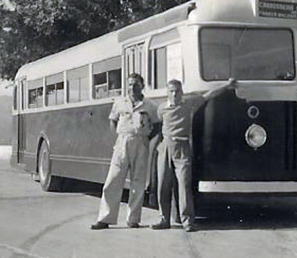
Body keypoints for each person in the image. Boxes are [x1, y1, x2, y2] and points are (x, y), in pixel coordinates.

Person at [152, 78, 237, 232]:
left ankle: (187, 222)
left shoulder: (188, 104)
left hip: (182, 147)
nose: (174, 94)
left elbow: (209, 95)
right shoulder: (161, 108)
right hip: (165, 147)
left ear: (181, 92)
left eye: (177, 91)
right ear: (167, 93)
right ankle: (164, 219)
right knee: (163, 184)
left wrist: (227, 86)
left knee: (184, 184)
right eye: (171, 91)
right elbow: (157, 123)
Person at [91, 73, 160, 230]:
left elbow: (157, 125)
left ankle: (133, 219)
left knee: (138, 182)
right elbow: (112, 120)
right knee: (113, 180)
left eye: (136, 84)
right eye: (129, 84)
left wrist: (148, 140)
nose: (132, 87)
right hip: (122, 143)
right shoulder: (120, 102)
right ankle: (105, 218)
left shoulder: (149, 105)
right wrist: (118, 137)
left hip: (140, 143)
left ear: (142, 85)